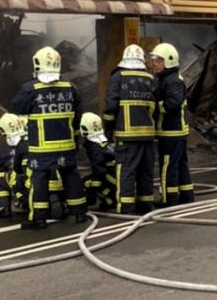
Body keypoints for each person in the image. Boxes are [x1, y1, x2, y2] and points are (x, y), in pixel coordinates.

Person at [11, 46, 87, 230]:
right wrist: (76, 141)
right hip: (66, 145)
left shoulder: (31, 88)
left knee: (39, 182)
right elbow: (77, 116)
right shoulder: (70, 87)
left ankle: (39, 219)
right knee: (71, 177)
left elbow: (17, 108)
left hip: (41, 148)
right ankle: (80, 214)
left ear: (37, 65)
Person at [103, 44, 157, 215]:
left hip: (127, 136)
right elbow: (155, 108)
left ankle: (126, 207)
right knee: (145, 172)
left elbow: (111, 107)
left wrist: (108, 132)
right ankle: (146, 205)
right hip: (148, 136)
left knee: (126, 171)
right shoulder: (150, 79)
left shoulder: (118, 77)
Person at [150, 43, 194, 207]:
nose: (154, 63)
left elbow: (173, 103)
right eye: (154, 59)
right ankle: (187, 194)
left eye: (158, 60)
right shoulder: (168, 78)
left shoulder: (172, 81)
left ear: (168, 61)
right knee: (180, 164)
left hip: (171, 132)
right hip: (175, 131)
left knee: (168, 166)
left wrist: (155, 107)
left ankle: (169, 199)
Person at [79, 112, 117, 212]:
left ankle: (109, 199)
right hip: (118, 179)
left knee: (86, 182)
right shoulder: (104, 140)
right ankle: (110, 198)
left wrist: (90, 193)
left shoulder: (93, 146)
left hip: (111, 180)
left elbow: (99, 170)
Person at [0, 113, 28, 219]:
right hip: (42, 175)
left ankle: (3, 208)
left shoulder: (5, 149)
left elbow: (3, 166)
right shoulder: (33, 138)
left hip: (20, 181)